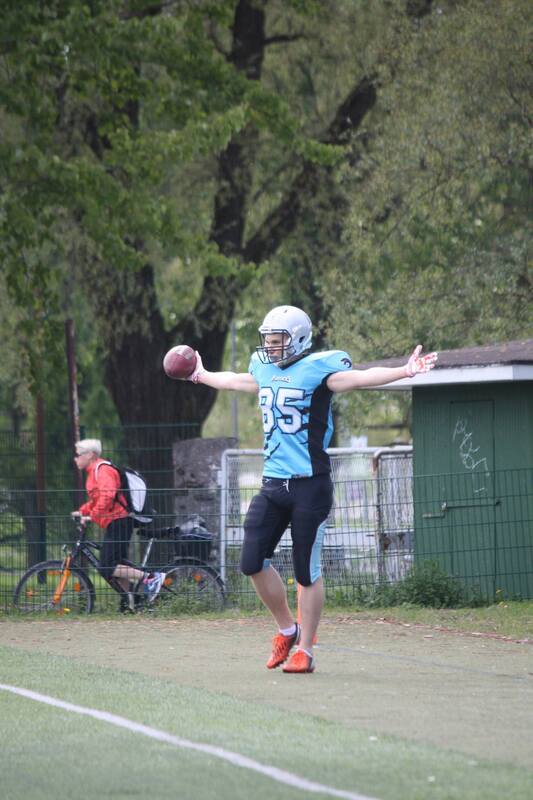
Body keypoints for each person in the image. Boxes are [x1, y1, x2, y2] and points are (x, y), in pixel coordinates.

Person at [184, 306, 437, 673]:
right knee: (251, 561)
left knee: (306, 571)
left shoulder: (319, 369)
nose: (270, 347)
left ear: (299, 339)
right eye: (268, 340)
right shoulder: (264, 367)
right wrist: (201, 374)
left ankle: (306, 650)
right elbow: (238, 380)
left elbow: (360, 378)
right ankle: (288, 629)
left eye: (277, 340)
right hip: (273, 483)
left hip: (310, 485)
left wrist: (404, 371)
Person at [71, 439, 165, 608]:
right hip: (114, 521)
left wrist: (92, 515)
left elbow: (108, 496)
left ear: (90, 455)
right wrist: (83, 511)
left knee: (107, 566)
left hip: (119, 520)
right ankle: (131, 603)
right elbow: (97, 499)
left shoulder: (102, 470)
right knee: (116, 565)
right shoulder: (94, 472)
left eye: (78, 455)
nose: (75, 459)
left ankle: (151, 578)